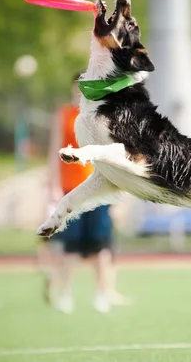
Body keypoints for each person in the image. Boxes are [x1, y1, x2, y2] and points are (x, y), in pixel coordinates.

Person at [44, 73, 127, 313]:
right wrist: (52, 185)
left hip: (98, 188)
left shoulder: (101, 114)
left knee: (100, 244)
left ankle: (102, 293)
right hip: (71, 190)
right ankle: (65, 294)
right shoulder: (64, 115)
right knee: (70, 245)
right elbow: (54, 151)